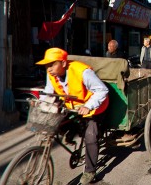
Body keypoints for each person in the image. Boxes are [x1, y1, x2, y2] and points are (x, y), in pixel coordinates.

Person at [36, 48, 109, 184]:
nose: (49, 68)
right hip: (73, 107)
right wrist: (41, 103)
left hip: (95, 107)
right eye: (47, 65)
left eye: (52, 64)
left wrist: (88, 106)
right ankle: (73, 131)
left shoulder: (82, 72)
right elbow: (49, 92)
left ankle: (90, 171)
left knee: (90, 136)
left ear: (63, 63)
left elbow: (102, 90)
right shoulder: (51, 74)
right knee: (55, 122)